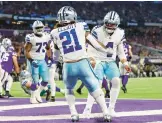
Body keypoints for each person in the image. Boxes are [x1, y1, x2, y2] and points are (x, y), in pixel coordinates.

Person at [50, 6, 111, 122]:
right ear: (73, 16)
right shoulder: (81, 25)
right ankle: (106, 113)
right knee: (95, 88)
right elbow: (95, 44)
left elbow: (56, 54)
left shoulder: (54, 32)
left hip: (68, 66)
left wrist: (56, 62)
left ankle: (73, 113)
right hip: (82, 63)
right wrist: (107, 51)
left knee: (68, 89)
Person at [83, 11, 131, 121]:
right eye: (108, 23)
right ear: (104, 22)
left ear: (117, 24)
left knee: (116, 81)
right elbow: (90, 47)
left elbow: (120, 52)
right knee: (96, 84)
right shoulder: (97, 30)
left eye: (112, 24)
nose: (109, 26)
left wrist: (125, 63)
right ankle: (88, 108)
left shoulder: (120, 33)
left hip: (110, 61)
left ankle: (111, 108)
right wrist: (91, 58)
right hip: (98, 60)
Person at [24, 20, 51, 104]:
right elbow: (26, 51)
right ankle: (32, 98)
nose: (39, 29)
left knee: (46, 79)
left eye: (40, 27)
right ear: (34, 28)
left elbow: (48, 48)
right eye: (37, 28)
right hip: (33, 60)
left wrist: (49, 58)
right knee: (35, 81)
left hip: (42, 60)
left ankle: (38, 93)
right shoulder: (31, 37)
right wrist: (31, 61)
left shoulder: (46, 36)